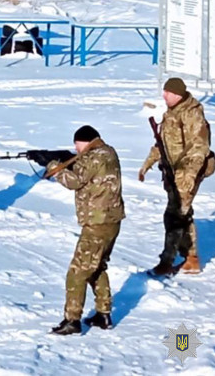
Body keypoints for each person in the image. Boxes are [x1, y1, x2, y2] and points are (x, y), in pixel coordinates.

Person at [47, 125, 125, 335]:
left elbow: (74, 181)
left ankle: (72, 320)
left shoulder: (94, 157)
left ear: (85, 141)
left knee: (77, 272)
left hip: (97, 223)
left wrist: (54, 166)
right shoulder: (108, 151)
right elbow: (87, 172)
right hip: (111, 221)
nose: (75, 148)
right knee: (96, 266)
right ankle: (103, 313)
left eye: (77, 144)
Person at [139, 77, 214, 276]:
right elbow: (162, 144)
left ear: (178, 95)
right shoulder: (171, 113)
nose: (164, 96)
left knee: (173, 217)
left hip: (186, 175)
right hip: (173, 174)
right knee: (183, 216)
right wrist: (147, 165)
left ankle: (167, 261)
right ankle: (191, 258)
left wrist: (187, 176)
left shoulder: (192, 115)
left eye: (168, 93)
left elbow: (200, 148)